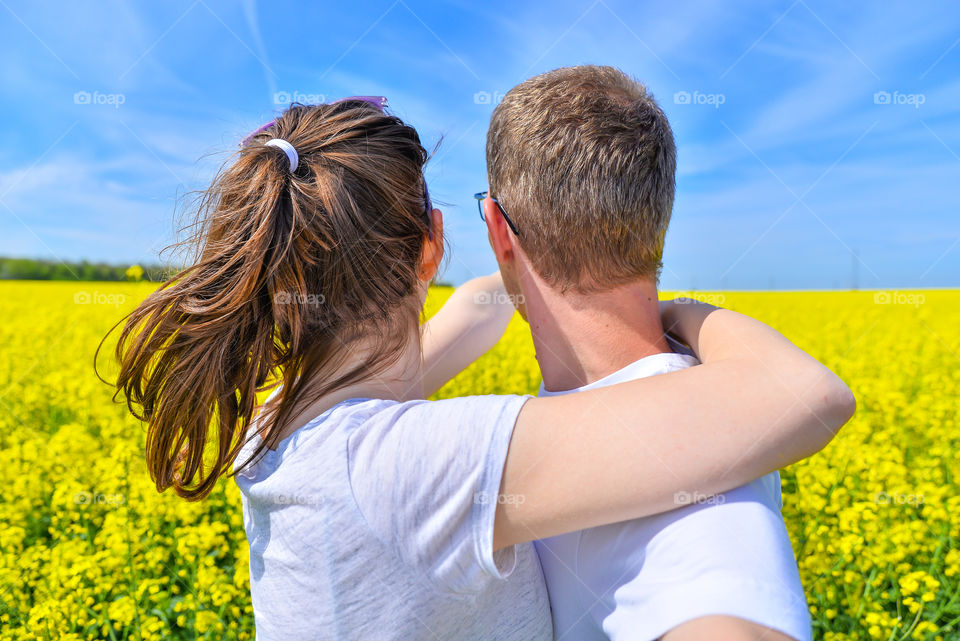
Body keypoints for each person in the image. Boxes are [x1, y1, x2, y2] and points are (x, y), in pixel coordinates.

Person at [108, 96, 855, 641]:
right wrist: (681, 308)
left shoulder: (276, 423)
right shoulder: (425, 463)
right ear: (433, 245)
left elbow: (466, 317)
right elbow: (808, 396)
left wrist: (524, 264)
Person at [481, 65, 823, 641]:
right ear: (655, 217)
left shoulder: (694, 484)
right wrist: (686, 313)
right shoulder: (722, 413)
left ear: (497, 232)